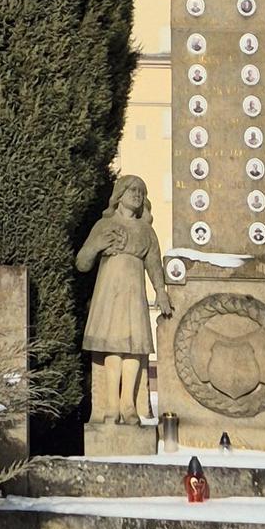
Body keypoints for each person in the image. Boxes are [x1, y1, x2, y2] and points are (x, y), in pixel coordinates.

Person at [76, 174, 166, 425]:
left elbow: (154, 264)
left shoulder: (146, 230)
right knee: (113, 345)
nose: (137, 194)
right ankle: (111, 405)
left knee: (134, 347)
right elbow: (82, 263)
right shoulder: (103, 226)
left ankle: (129, 403)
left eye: (141, 191)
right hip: (110, 291)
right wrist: (96, 247)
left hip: (134, 293)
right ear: (119, 195)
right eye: (131, 190)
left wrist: (161, 291)